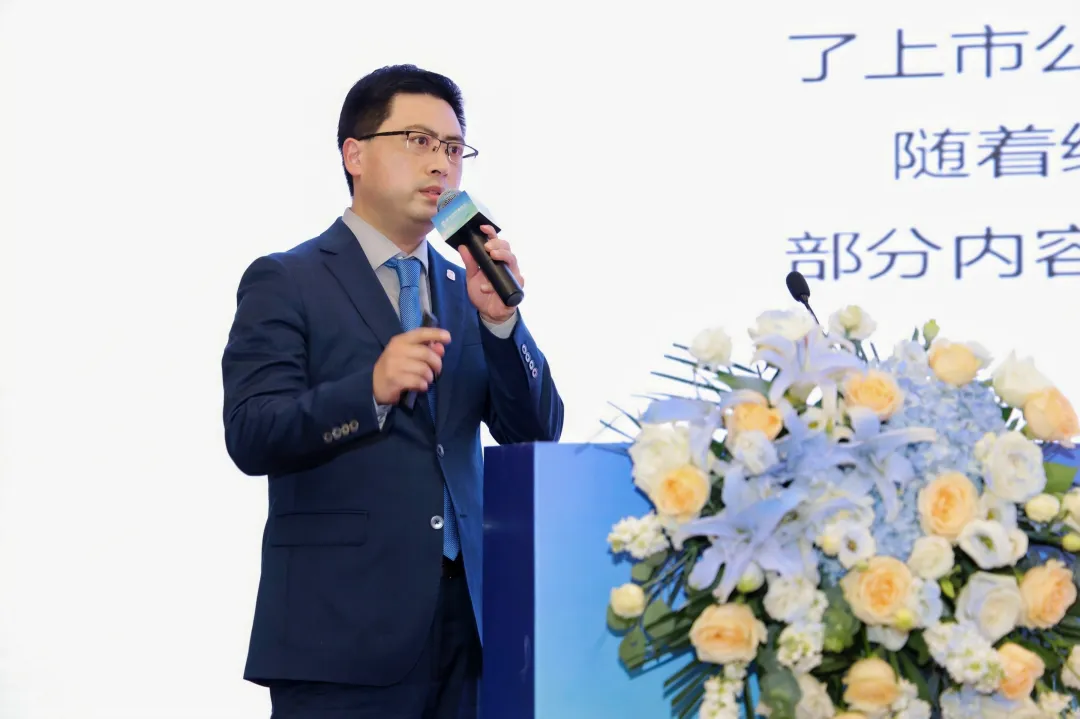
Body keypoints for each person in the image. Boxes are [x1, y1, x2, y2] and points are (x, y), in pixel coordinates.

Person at [220, 64, 565, 719]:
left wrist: (501, 323)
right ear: (355, 154)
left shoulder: (467, 287)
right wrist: (369, 392)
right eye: (418, 140)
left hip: (469, 629)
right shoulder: (286, 280)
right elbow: (252, 431)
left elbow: (534, 432)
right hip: (340, 633)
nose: (440, 163)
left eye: (453, 148)